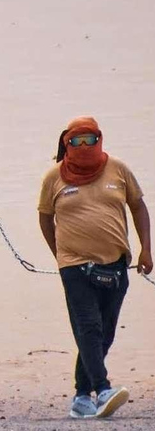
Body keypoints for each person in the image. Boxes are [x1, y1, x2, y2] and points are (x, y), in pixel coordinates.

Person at [38, 117, 152, 419]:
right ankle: (102, 389)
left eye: (90, 139)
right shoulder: (54, 178)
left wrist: (146, 249)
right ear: (67, 143)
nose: (84, 145)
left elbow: (138, 206)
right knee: (89, 326)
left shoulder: (118, 169)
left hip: (116, 266)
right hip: (74, 267)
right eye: (77, 140)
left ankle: (81, 397)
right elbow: (44, 218)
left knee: (105, 333)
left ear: (100, 139)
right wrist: (60, 254)